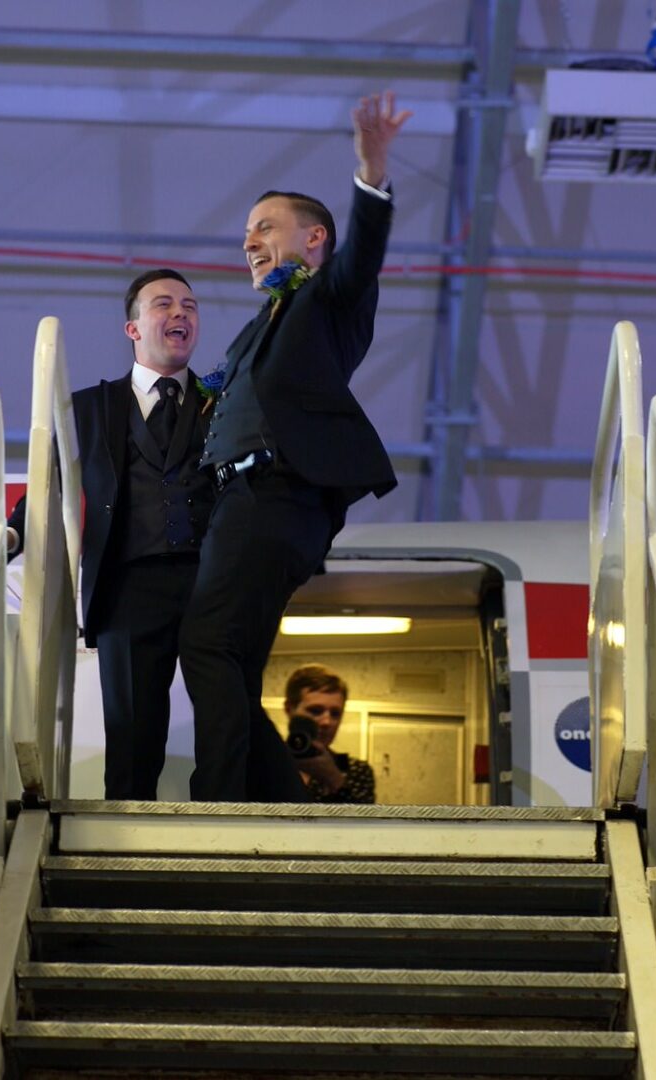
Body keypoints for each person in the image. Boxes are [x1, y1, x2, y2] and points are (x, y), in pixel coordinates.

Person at [179, 91, 411, 802]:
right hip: (243, 503)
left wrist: (371, 171)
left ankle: (216, 810)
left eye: (264, 228)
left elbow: (361, 255)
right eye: (246, 232)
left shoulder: (329, 300)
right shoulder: (257, 327)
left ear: (313, 240)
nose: (247, 241)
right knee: (238, 668)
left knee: (206, 644)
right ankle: (283, 807)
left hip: (273, 496)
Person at [8, 269, 213, 799]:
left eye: (190, 306)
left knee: (225, 718)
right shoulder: (88, 407)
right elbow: (47, 484)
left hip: (210, 583)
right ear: (133, 327)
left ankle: (224, 828)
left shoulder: (223, 401)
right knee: (132, 731)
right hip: (126, 587)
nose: (180, 314)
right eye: (164, 304)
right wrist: (13, 534)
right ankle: (127, 838)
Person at [284, 665, 376, 804]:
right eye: (315, 711)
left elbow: (364, 824)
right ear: (289, 709)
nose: (327, 722)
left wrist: (333, 778)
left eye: (335, 714)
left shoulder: (356, 770)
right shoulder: (263, 762)